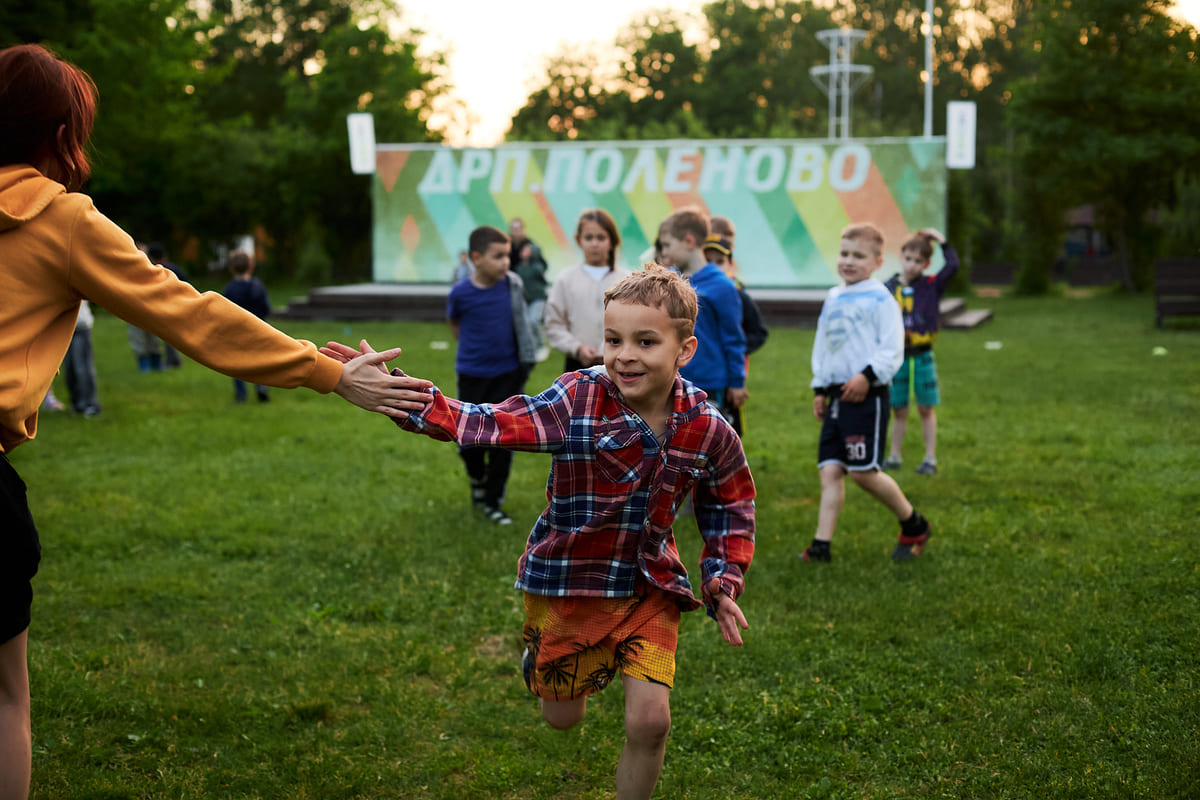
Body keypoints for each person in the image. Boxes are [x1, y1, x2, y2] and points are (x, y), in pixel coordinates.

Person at [0, 43, 433, 800]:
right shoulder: (59, 217)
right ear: (60, 133)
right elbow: (191, 315)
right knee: (4, 701)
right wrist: (329, 372)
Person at [322, 264, 755, 800]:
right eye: (613, 339)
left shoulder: (707, 427)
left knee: (650, 724)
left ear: (684, 350)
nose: (624, 355)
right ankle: (542, 661)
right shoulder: (577, 399)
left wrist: (721, 577)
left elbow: (730, 502)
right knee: (562, 719)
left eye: (646, 341)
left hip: (650, 586)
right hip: (568, 584)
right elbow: (489, 422)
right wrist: (404, 398)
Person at [804, 222, 932, 565]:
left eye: (858, 256)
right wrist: (820, 386)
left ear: (877, 262)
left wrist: (867, 376)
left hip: (867, 397)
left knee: (863, 472)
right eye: (844, 253)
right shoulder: (833, 297)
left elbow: (893, 348)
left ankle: (914, 524)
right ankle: (821, 546)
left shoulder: (881, 299)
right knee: (830, 470)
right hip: (835, 397)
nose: (848, 261)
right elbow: (824, 346)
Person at [446, 225, 537, 524]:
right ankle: (476, 478)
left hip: (508, 375)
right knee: (468, 439)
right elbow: (456, 325)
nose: (505, 263)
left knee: (504, 440)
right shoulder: (460, 293)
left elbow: (521, 323)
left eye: (507, 256)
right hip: (472, 376)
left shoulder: (512, 285)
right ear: (476, 258)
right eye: (498, 256)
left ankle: (493, 501)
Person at [657, 208, 747, 426]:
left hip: (710, 383)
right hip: (673, 378)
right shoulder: (669, 282)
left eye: (668, 245)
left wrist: (736, 382)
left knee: (709, 444)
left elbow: (733, 338)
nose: (664, 253)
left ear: (689, 242)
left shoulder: (722, 286)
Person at [882, 229, 960, 476]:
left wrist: (942, 241)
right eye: (908, 259)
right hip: (899, 357)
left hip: (923, 355)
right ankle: (894, 455)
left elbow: (953, 266)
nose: (912, 265)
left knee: (926, 408)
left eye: (919, 261)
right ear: (901, 256)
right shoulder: (888, 288)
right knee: (899, 409)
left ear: (926, 264)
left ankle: (930, 458)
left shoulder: (931, 285)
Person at [544, 209, 630, 373]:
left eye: (601, 238)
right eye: (589, 238)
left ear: (612, 240)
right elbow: (554, 325)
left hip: (620, 364)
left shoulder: (626, 280)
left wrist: (613, 347)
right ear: (578, 240)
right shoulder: (566, 279)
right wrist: (576, 348)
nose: (594, 244)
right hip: (577, 365)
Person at [701, 233, 768, 437]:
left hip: (727, 379)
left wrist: (731, 352)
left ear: (730, 264)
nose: (714, 267)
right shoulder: (697, 292)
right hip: (701, 373)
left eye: (720, 261)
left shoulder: (737, 295)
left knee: (726, 436)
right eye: (708, 261)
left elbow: (758, 333)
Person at [222, 251, 272, 403]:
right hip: (257, 329)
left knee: (236, 362)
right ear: (251, 266)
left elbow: (224, 311)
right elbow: (266, 308)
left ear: (231, 268)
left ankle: (241, 393)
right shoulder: (257, 286)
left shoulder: (229, 289)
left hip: (236, 331)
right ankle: (261, 387)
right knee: (259, 361)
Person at [146, 242, 188, 368]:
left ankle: (173, 361)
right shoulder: (174, 268)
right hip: (178, 304)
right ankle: (173, 360)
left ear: (151, 258)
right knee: (170, 335)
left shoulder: (158, 271)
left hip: (168, 306)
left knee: (169, 335)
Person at [512, 239, 551, 361]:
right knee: (526, 324)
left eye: (528, 249)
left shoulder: (536, 267)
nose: (524, 250)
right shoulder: (518, 268)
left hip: (538, 298)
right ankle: (532, 348)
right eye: (524, 249)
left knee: (533, 320)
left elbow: (543, 274)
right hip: (525, 300)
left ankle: (542, 346)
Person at [61, 300, 101, 416]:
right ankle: (77, 403)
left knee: (82, 367)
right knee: (70, 368)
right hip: (64, 327)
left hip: (81, 325)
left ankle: (90, 404)